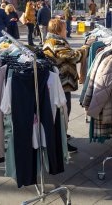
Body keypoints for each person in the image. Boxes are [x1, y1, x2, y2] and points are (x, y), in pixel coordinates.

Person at [43, 19, 84, 154]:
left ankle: (61, 135)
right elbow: (75, 57)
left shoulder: (50, 40)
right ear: (58, 30)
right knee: (63, 113)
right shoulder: (57, 43)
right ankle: (61, 142)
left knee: (61, 112)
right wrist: (86, 47)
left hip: (59, 83)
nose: (67, 31)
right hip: (62, 84)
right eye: (64, 28)